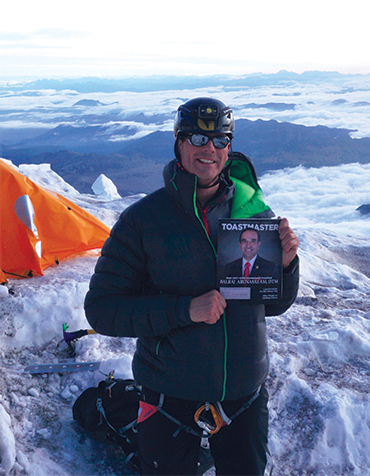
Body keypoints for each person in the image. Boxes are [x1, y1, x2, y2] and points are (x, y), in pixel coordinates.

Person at [84, 97, 299, 475]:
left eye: (219, 140)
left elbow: (275, 304)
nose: (209, 149)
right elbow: (102, 309)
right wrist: (185, 309)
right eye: (197, 139)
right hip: (171, 394)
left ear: (229, 148)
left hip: (244, 396)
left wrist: (286, 266)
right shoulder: (143, 221)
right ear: (178, 144)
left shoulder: (252, 215)